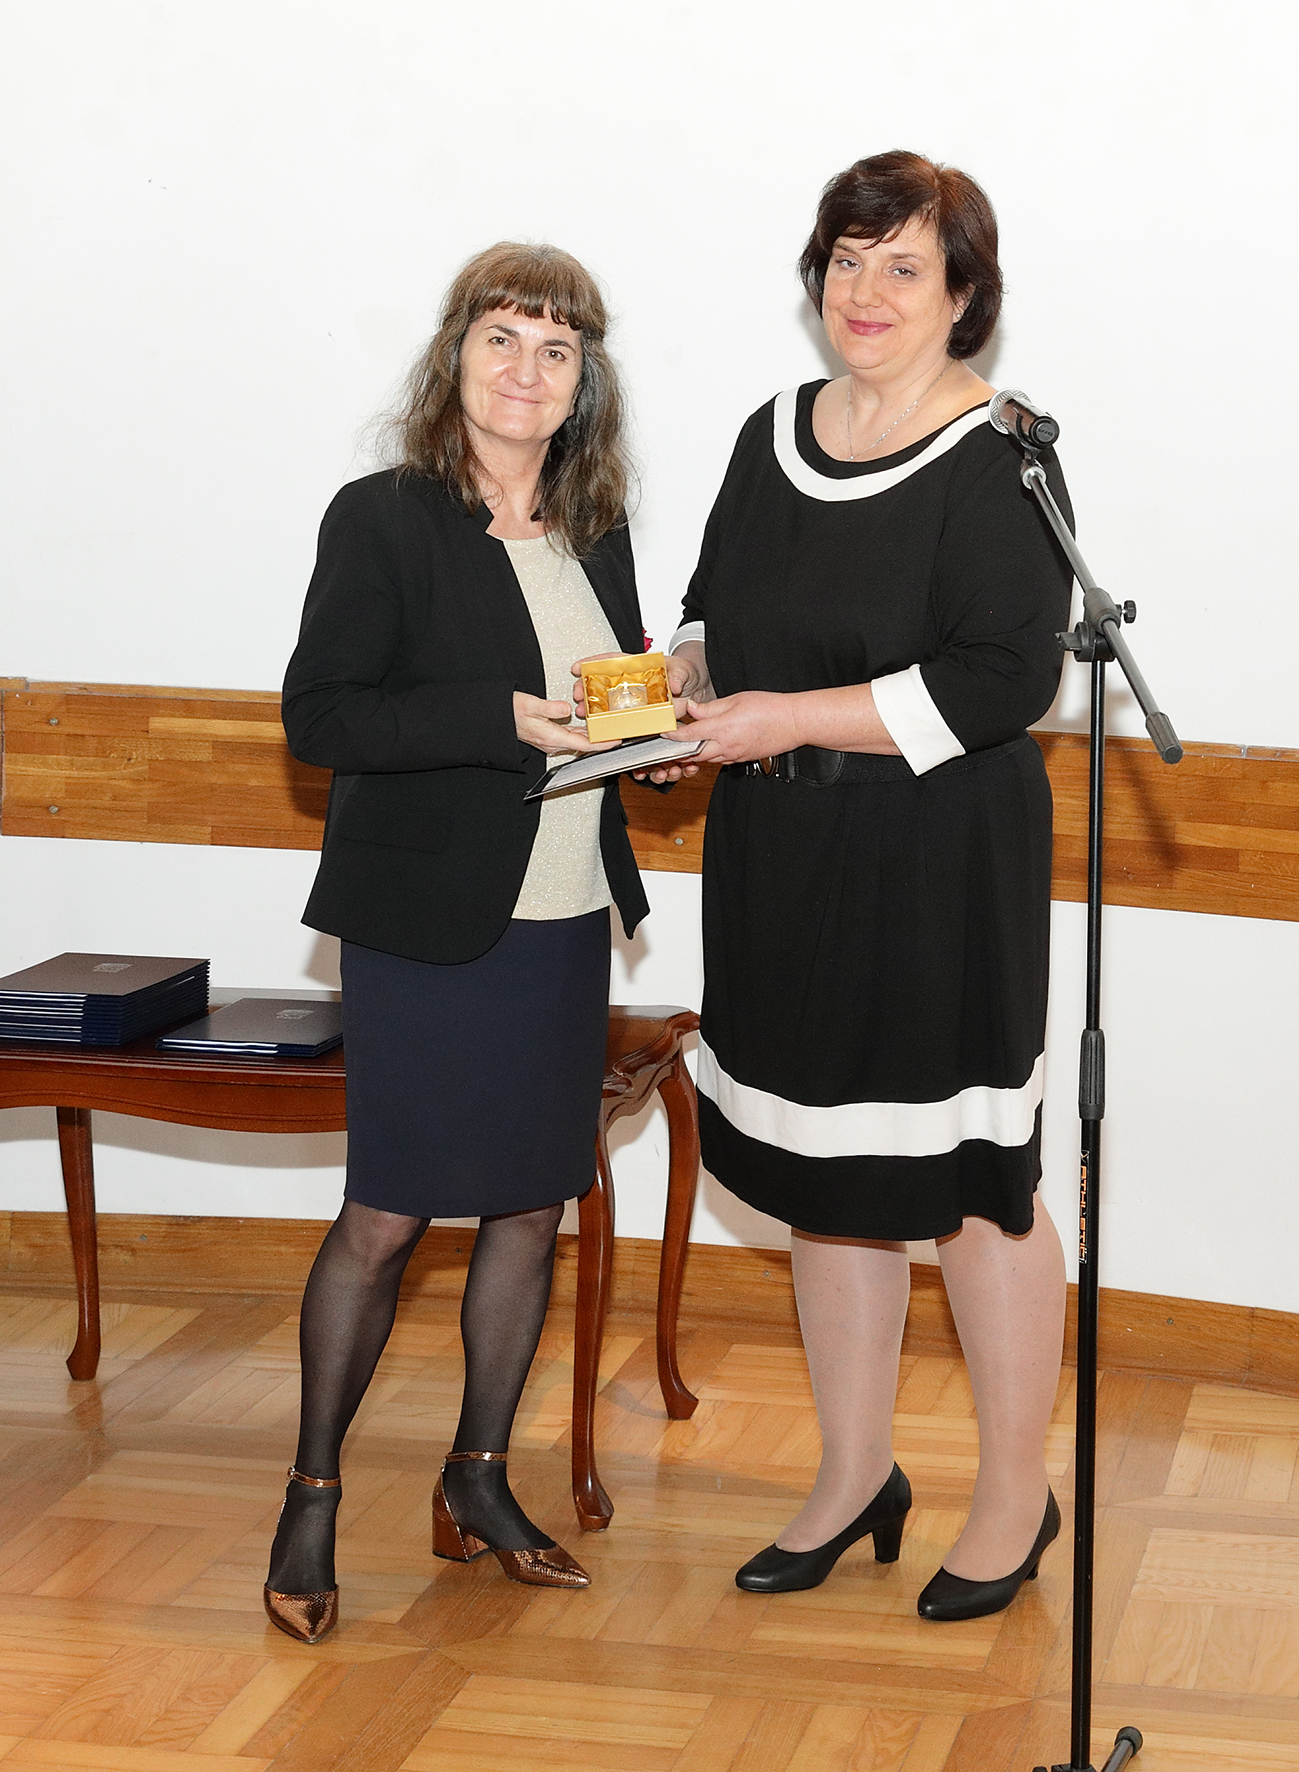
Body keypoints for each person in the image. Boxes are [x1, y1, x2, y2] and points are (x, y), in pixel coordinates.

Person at [658, 151, 1073, 1622]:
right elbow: (715, 615)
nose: (867, 290)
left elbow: (1004, 679)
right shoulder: (769, 432)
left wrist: (789, 715)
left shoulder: (1002, 454)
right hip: (780, 857)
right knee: (826, 1183)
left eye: (905, 265)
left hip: (938, 863)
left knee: (975, 1188)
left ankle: (1015, 1496)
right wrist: (677, 687)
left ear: (964, 297)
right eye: (847, 259)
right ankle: (852, 1476)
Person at [268, 242, 650, 1643]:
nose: (526, 370)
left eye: (557, 348)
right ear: (455, 357)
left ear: (583, 381)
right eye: (503, 338)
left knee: (533, 1205)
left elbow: (606, 702)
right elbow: (322, 718)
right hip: (428, 927)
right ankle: (312, 1496)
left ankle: (477, 1480)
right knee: (386, 1216)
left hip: (563, 914)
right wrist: (496, 720)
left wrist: (656, 736)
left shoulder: (595, 526)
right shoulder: (382, 517)